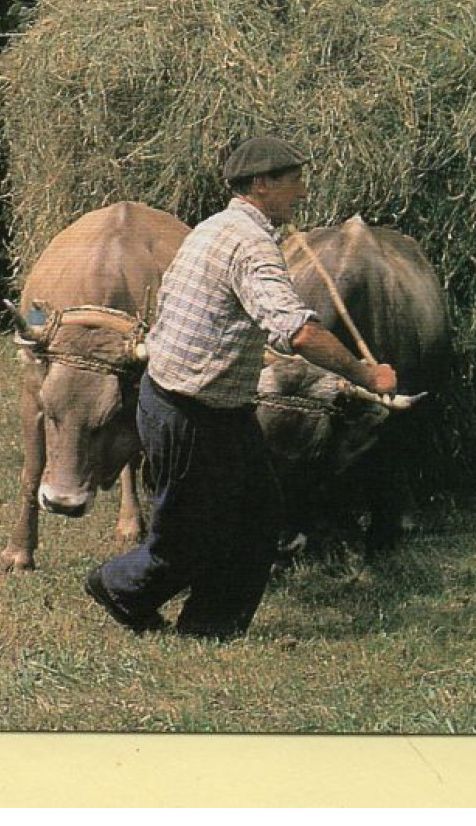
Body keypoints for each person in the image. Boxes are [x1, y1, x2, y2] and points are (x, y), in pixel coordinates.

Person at [85, 136, 398, 639]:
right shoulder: (253, 245)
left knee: (258, 520)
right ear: (262, 185)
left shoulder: (214, 228)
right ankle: (118, 587)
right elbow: (298, 331)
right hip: (188, 413)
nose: (302, 190)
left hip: (207, 406)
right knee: (187, 539)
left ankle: (209, 629)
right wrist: (365, 374)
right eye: (293, 179)